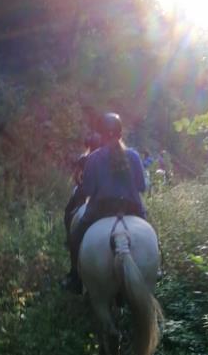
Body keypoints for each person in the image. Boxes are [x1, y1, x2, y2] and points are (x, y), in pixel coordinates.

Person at [62, 112, 147, 293]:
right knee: (150, 230)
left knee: (75, 237)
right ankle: (160, 267)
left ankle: (75, 277)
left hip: (100, 211)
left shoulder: (93, 158)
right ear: (120, 133)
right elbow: (142, 186)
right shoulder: (133, 156)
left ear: (100, 135)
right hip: (132, 209)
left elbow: (87, 191)